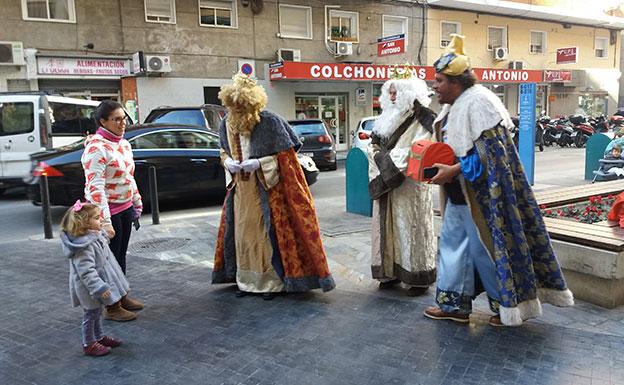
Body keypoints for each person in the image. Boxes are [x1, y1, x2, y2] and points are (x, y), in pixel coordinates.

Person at [424, 34, 574, 326]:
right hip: (457, 194)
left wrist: (452, 170)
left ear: (456, 82)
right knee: (453, 246)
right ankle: (454, 306)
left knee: (487, 252)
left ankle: (508, 306)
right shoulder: (452, 104)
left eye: (439, 80)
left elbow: (491, 155)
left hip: (483, 197)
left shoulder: (480, 102)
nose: (435, 85)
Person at [212, 73, 335, 299]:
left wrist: (259, 163)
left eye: (242, 105)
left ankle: (270, 282)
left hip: (267, 192)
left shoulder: (269, 121)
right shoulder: (225, 124)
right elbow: (223, 151)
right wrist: (227, 161)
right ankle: (245, 282)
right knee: (242, 236)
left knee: (265, 236)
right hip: (240, 193)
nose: (237, 110)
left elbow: (287, 157)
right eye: (234, 105)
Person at [366, 75, 437, 296]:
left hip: (410, 186)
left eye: (397, 92)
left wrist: (382, 161)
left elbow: (418, 150)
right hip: (388, 181)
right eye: (390, 92)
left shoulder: (424, 119)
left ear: (409, 92)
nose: (392, 97)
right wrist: (377, 157)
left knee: (411, 229)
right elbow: (373, 145)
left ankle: (416, 277)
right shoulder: (387, 116)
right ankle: (389, 273)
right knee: (386, 228)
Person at [82, 100, 144, 321]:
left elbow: (128, 176)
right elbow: (95, 187)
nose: (122, 123)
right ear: (103, 122)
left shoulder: (123, 144)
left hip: (125, 208)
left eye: (124, 118)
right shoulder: (96, 147)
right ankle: (112, 307)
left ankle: (122, 295)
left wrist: (136, 202)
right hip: (110, 213)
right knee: (108, 262)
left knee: (120, 258)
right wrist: (105, 220)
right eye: (116, 119)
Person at [60, 201, 128, 356]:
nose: (101, 220)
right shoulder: (82, 247)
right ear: (85, 223)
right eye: (97, 218)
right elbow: (86, 272)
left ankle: (98, 337)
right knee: (90, 315)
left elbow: (100, 246)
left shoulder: (92, 237)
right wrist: (99, 288)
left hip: (97, 285)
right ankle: (89, 343)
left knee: (97, 312)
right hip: (89, 289)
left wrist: (104, 234)